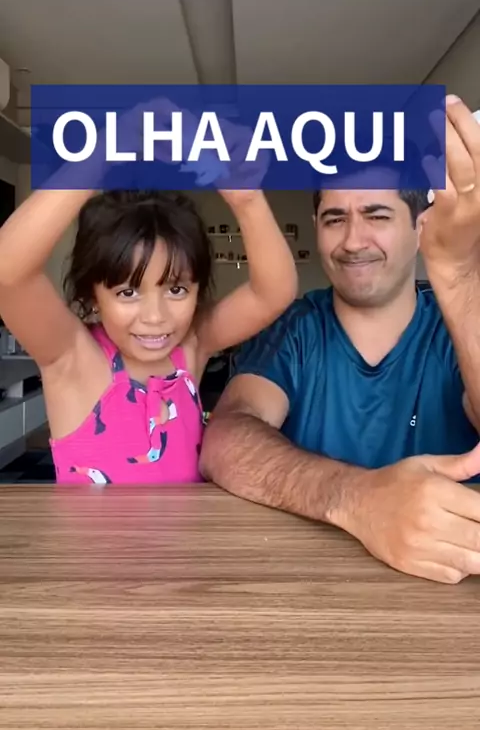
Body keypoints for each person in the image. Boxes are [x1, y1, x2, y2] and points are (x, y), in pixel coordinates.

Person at [200, 95, 480, 585]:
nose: (352, 240)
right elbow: (223, 440)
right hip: (311, 590)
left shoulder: (458, 322)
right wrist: (359, 499)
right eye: (335, 219)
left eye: (377, 215)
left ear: (420, 226)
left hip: (451, 592)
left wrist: (457, 276)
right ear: (316, 228)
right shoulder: (296, 327)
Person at [0, 103, 298, 485]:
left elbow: (273, 293)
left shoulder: (191, 347)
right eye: (128, 292)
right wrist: (102, 153)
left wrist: (247, 199)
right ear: (93, 295)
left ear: (197, 289)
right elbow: (7, 271)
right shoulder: (72, 357)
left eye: (176, 289)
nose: (156, 317)